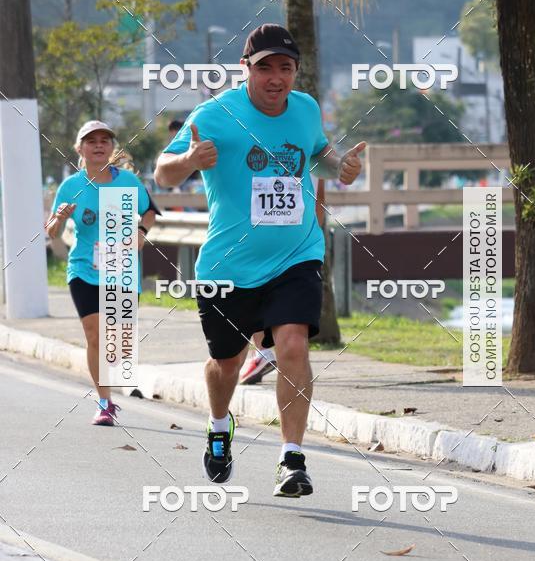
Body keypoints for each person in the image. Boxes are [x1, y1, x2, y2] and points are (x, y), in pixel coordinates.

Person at [154, 24, 364, 497]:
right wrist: (188, 159)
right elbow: (162, 173)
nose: (275, 77)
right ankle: (218, 424)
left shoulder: (306, 109)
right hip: (229, 267)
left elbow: (321, 154)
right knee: (226, 364)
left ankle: (291, 458)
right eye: (264, 67)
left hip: (297, 254)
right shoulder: (216, 114)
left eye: (285, 67)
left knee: (293, 344)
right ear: (244, 69)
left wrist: (343, 165)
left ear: (295, 72)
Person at [46, 121, 156, 426]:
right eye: (90, 141)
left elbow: (150, 210)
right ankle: (105, 402)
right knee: (95, 335)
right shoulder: (71, 186)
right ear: (80, 148)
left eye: (104, 140)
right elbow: (52, 232)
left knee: (120, 340)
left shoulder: (129, 183)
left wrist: (141, 232)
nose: (98, 145)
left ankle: (115, 379)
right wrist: (59, 218)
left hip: (121, 268)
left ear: (112, 148)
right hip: (84, 268)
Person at [239, 178, 325, 386]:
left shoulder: (312, 149)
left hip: (278, 246)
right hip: (294, 245)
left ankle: (262, 353)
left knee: (256, 296)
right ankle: (262, 354)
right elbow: (319, 200)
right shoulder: (312, 152)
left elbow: (318, 199)